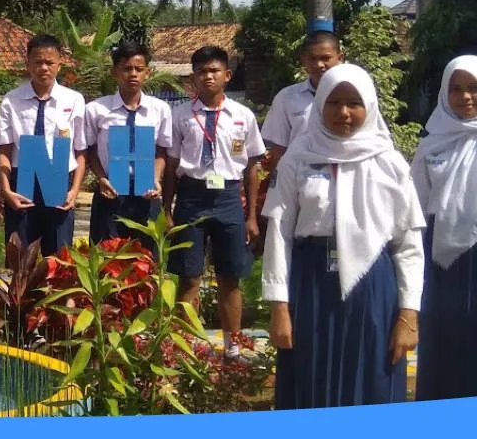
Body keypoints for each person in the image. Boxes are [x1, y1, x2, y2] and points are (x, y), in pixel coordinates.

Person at [263, 64, 423, 408]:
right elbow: (279, 232)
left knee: (372, 382)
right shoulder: (297, 157)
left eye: (354, 102)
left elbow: (408, 244)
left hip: (373, 288)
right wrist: (279, 306)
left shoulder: (390, 162)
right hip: (311, 286)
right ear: (320, 103)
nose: (344, 112)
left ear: (369, 106)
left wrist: (408, 314)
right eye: (334, 102)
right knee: (311, 379)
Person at [163, 45, 265, 361]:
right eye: (201, 71)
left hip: (228, 199)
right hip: (192, 198)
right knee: (189, 276)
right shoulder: (180, 115)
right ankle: (184, 347)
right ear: (192, 78)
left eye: (214, 71)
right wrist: (167, 210)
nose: (208, 76)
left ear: (227, 75)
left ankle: (232, 346)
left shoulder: (243, 116)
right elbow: (170, 167)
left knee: (229, 276)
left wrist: (251, 216)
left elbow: (252, 167)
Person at [413, 55, 477, 400]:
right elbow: (415, 208)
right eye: (456, 89)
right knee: (445, 341)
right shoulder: (431, 144)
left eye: (473, 88)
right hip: (441, 262)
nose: (466, 97)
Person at [0, 35, 87, 258]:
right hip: (22, 183)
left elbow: (81, 150)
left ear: (59, 64)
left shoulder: (73, 100)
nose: (43, 68)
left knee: (58, 259)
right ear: (28, 63)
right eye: (37, 62)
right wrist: (7, 190)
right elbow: (4, 150)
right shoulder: (11, 100)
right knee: (20, 259)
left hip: (58, 181)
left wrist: (74, 191)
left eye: (49, 62)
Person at [256, 32, 345, 249]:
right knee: (303, 246)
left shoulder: (353, 96)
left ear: (340, 57)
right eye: (313, 58)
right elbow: (278, 152)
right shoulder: (287, 98)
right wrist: (275, 193)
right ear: (303, 60)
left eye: (326, 57)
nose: (320, 64)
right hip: (300, 185)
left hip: (346, 180)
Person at [83, 42, 173, 246]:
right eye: (126, 68)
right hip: (111, 191)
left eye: (139, 69)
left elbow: (162, 150)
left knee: (147, 258)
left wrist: (156, 178)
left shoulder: (160, 109)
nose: (133, 74)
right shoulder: (96, 109)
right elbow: (90, 149)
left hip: (146, 193)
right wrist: (101, 178)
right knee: (107, 257)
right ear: (114, 72)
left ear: (147, 73)